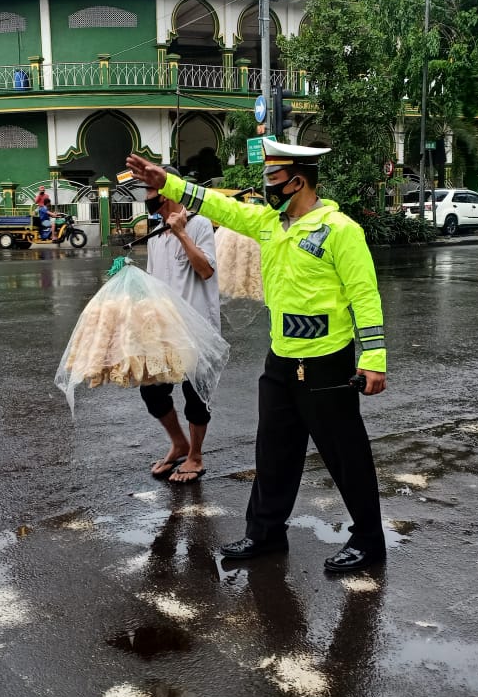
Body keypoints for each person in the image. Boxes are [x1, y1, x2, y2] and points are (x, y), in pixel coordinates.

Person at [126, 138, 388, 574]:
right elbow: (220, 206)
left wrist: (374, 358)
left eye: (273, 178)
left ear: (298, 181)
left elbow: (365, 295)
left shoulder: (339, 230)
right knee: (273, 452)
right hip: (281, 359)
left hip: (326, 362)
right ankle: (266, 533)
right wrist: (167, 182)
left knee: (345, 454)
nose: (266, 187)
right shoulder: (270, 223)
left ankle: (368, 539)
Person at [142, 165, 221, 485]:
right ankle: (179, 444)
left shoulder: (199, 224)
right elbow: (153, 284)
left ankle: (196, 457)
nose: (147, 196)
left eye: (151, 190)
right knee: (151, 390)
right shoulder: (154, 236)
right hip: (165, 331)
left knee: (196, 395)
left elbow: (206, 270)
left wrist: (182, 233)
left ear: (168, 191)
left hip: (199, 328)